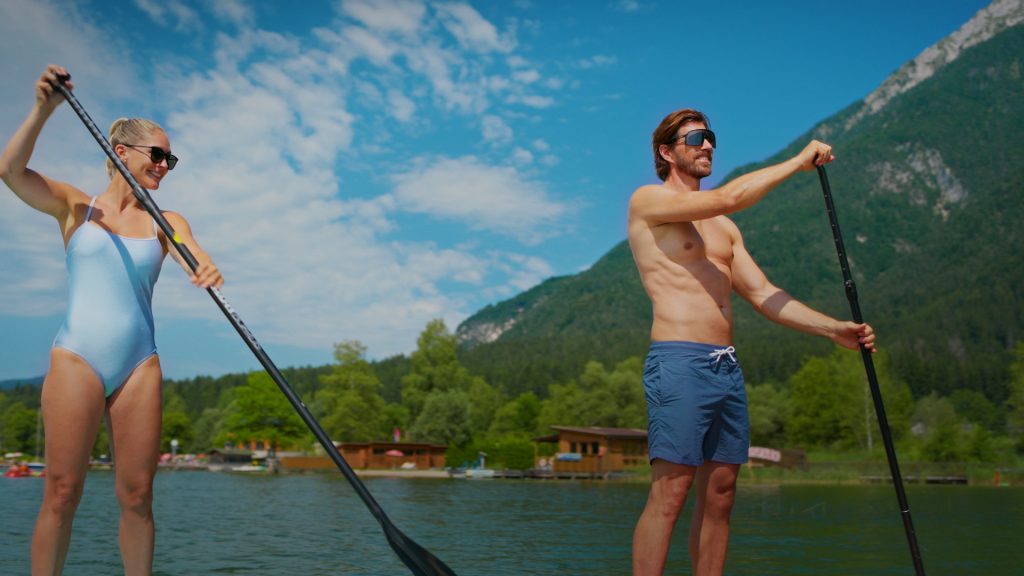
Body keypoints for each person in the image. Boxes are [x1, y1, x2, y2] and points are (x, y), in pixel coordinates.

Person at [627, 108, 875, 576]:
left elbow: (762, 294)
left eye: (710, 137)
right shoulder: (649, 201)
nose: (707, 145)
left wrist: (833, 329)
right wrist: (797, 162)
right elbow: (731, 196)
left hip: (726, 368)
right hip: (679, 361)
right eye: (696, 138)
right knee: (672, 491)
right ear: (667, 152)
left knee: (721, 495)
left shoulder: (724, 228)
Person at [0, 64, 223, 576]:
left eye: (171, 160)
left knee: (139, 496)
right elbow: (10, 171)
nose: (165, 166)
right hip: (77, 358)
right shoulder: (75, 207)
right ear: (122, 152)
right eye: (158, 155)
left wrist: (205, 265)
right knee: (62, 492)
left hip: (139, 365)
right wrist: (43, 110)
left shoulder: (166, 221)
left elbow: (190, 249)